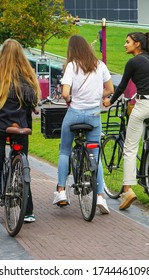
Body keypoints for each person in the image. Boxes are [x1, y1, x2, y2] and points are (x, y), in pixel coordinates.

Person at [102, 31, 149, 210]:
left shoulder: (133, 62)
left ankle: (127, 190)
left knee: (130, 148)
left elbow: (121, 86)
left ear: (137, 44)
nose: (125, 44)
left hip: (145, 106)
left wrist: (109, 101)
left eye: (128, 42)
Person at [0, 39, 40, 226]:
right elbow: (34, 99)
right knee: (22, 163)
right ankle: (28, 210)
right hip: (21, 126)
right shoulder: (27, 72)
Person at [53, 35, 114, 214]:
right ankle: (101, 196)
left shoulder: (72, 66)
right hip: (94, 115)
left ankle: (61, 191)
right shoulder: (100, 65)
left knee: (64, 150)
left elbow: (65, 93)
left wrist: (72, 98)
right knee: (95, 154)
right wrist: (98, 97)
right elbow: (110, 89)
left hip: (75, 114)